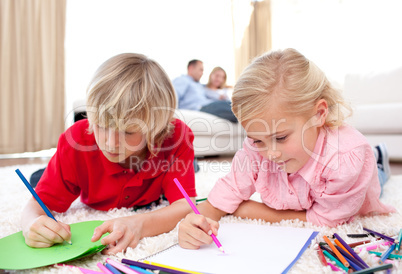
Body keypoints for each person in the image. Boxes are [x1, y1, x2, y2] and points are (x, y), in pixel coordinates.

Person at [178, 48, 395, 250]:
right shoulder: (258, 146)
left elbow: (327, 219)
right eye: (257, 140)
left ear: (319, 114)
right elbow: (229, 189)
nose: (270, 153)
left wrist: (250, 210)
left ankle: (378, 157)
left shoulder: (346, 159)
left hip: (356, 174)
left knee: (377, 177)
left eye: (280, 137)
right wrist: (199, 219)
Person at [21, 53, 197, 254]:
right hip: (77, 168)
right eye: (101, 125)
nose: (110, 143)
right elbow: (34, 207)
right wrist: (31, 224)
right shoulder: (76, 141)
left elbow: (186, 206)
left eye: (129, 132)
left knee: (190, 168)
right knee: (38, 179)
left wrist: (138, 224)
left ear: (156, 129)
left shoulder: (177, 136)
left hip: (155, 176)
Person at [172, 60, 237, 123]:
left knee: (231, 106)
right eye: (201, 70)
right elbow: (173, 96)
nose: (202, 73)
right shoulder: (183, 80)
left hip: (207, 105)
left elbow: (211, 92)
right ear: (191, 68)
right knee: (231, 106)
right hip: (200, 108)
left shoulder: (198, 85)